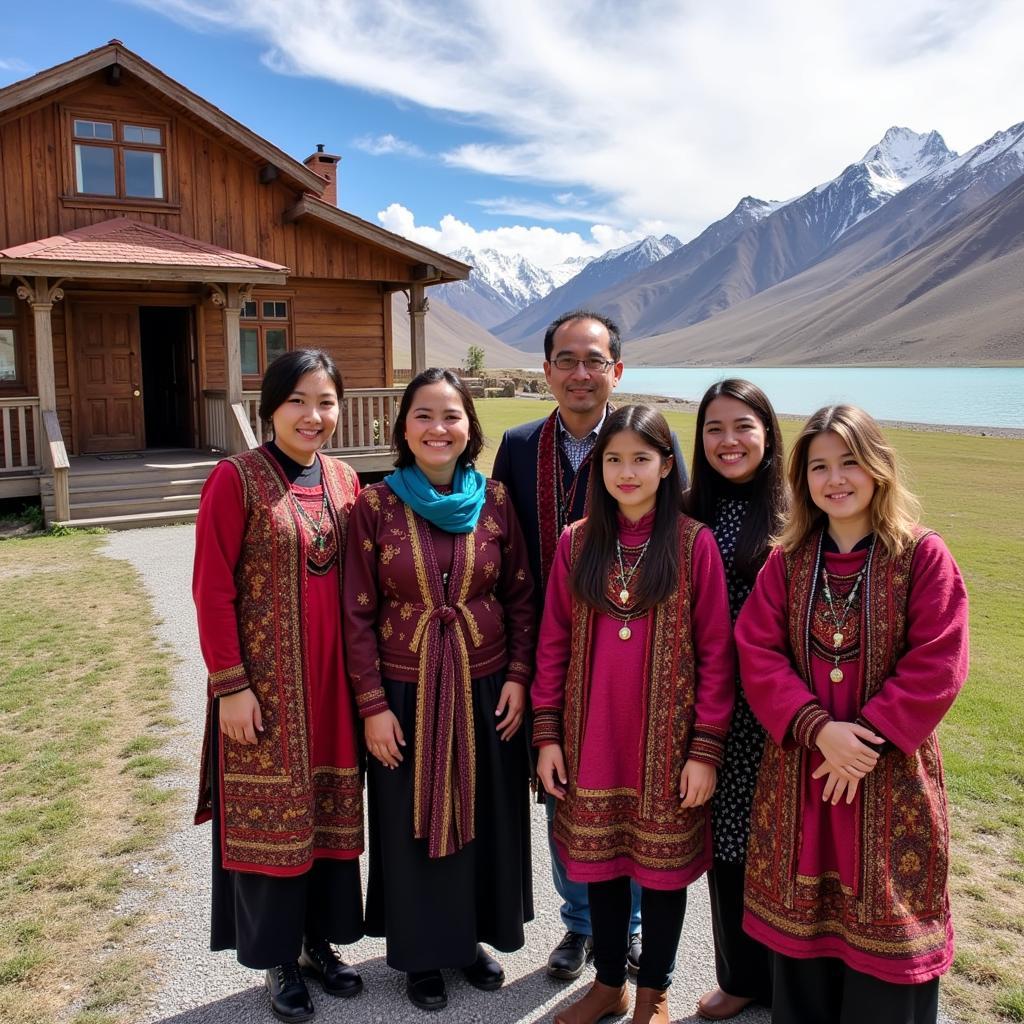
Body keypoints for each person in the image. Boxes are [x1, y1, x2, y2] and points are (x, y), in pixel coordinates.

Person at [736, 404, 970, 1024]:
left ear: (878, 467)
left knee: (890, 936)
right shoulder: (785, 563)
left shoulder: (922, 556)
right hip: (804, 779)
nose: (835, 479)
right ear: (801, 480)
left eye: (848, 462)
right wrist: (818, 729)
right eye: (818, 466)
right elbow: (757, 650)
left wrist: (860, 744)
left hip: (888, 782)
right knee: (805, 944)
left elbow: (938, 660)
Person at [492, 310, 687, 979]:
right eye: (566, 360)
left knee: (638, 787)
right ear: (546, 371)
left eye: (594, 360)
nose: (580, 374)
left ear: (617, 371)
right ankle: (579, 925)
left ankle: (625, 928)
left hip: (639, 656)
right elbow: (502, 556)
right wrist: (522, 664)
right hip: (551, 654)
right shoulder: (518, 447)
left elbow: (674, 536)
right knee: (562, 791)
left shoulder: (647, 440)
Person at [532, 405, 735, 1024]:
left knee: (665, 872)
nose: (626, 471)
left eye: (641, 458)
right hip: (592, 736)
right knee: (604, 864)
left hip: (668, 746)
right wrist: (547, 736)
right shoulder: (577, 541)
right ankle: (609, 984)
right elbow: (553, 644)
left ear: (667, 465)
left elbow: (717, 655)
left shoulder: (694, 543)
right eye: (614, 459)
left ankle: (655, 993)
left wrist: (705, 750)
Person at [343, 367, 535, 1013]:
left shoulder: (497, 500)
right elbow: (357, 612)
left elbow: (521, 596)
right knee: (411, 821)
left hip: (486, 686)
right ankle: (420, 953)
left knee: (482, 813)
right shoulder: (373, 505)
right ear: (403, 427)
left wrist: (518, 677)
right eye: (424, 415)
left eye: (451, 415)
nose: (438, 428)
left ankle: (469, 941)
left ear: (469, 427)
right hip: (406, 690)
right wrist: (371, 705)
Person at [192, 349, 364, 1024]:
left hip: (333, 691)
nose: (312, 415)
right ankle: (275, 957)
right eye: (297, 400)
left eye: (324, 401)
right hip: (265, 692)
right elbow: (211, 589)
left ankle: (317, 940)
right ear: (270, 406)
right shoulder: (235, 480)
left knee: (323, 818)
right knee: (274, 824)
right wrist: (231, 684)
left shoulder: (347, 480)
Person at [684, 380, 786, 1021]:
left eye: (743, 426)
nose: (728, 441)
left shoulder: (798, 509)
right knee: (728, 846)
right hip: (716, 704)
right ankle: (741, 975)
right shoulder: (689, 510)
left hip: (786, 708)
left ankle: (795, 981)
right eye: (714, 428)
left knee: (788, 843)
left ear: (768, 434)